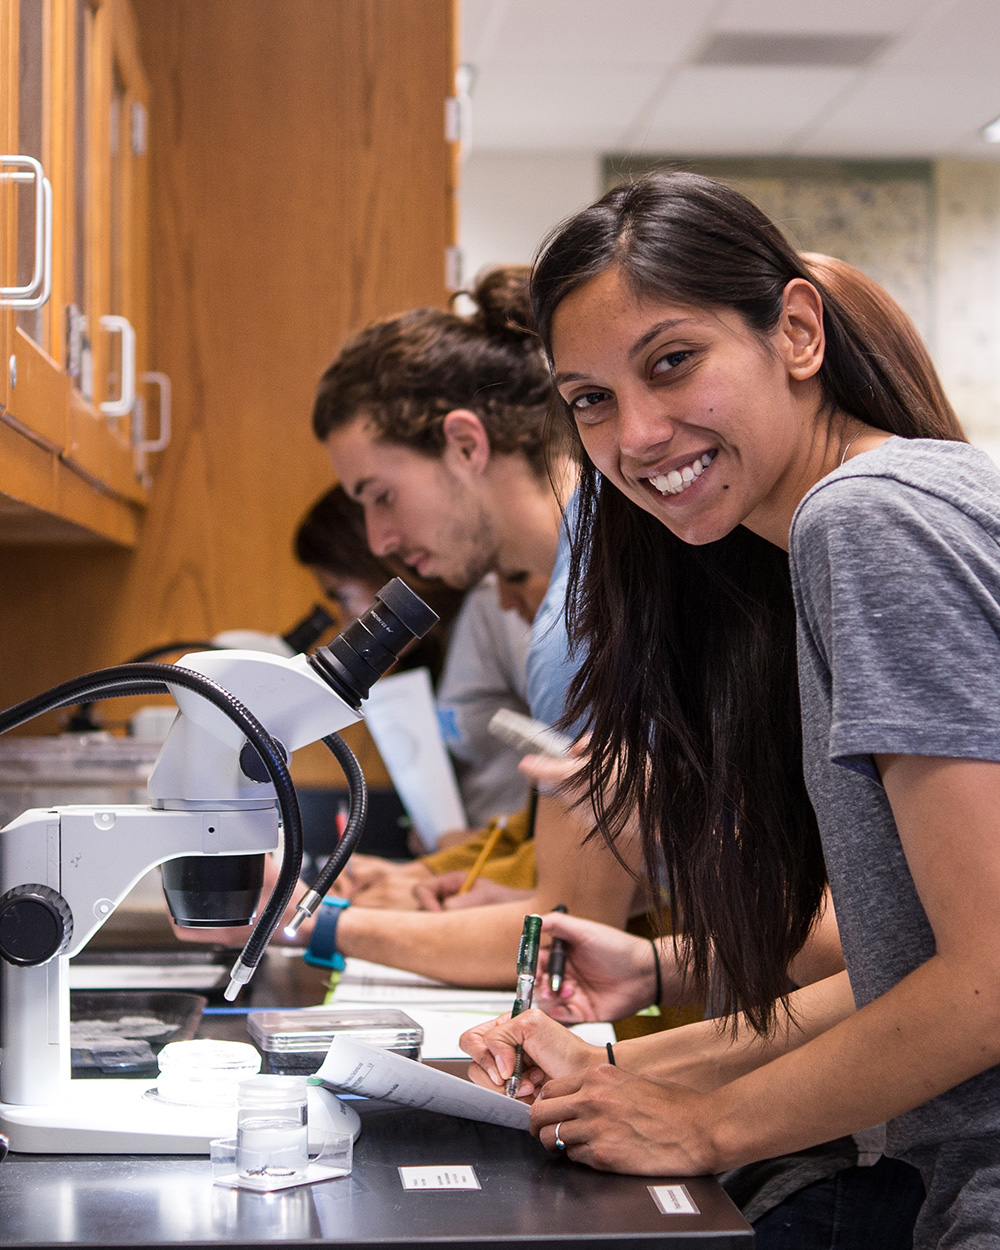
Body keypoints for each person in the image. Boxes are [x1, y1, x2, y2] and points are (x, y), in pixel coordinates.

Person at [461, 174, 996, 1249]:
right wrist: (623, 1065)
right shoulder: (838, 528)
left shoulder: (868, 521)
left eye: (672, 362)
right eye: (591, 398)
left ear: (796, 332)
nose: (639, 433)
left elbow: (987, 975)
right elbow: (906, 970)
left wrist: (700, 1124)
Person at [295, 483, 533, 829]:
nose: (344, 622)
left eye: (343, 597)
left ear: (381, 566)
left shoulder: (498, 607)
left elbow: (573, 759)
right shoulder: (433, 653)